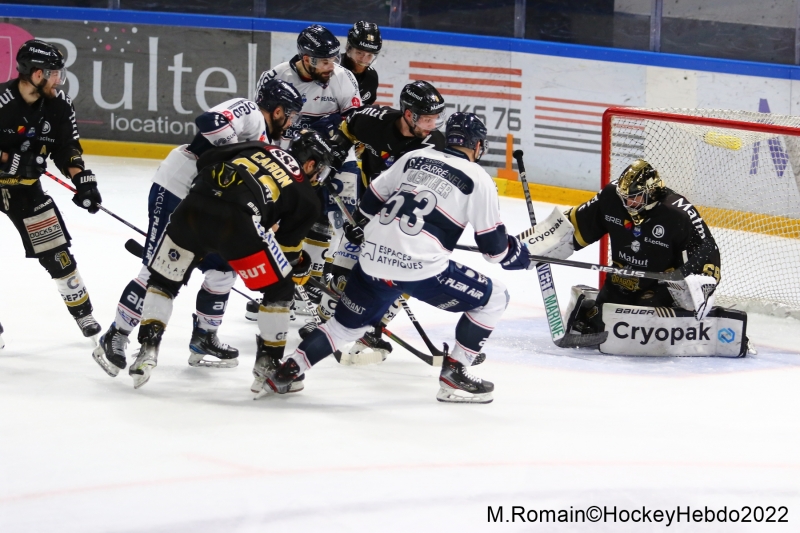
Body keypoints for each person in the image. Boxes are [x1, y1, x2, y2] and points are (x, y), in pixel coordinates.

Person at [261, 113, 533, 403]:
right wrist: (515, 253)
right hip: (419, 269)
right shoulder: (478, 178)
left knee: (341, 328)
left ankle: (287, 371)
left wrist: (363, 226)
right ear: (478, 146)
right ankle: (455, 373)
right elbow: (493, 250)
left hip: (372, 259)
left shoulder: (415, 157)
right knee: (495, 298)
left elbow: (370, 201)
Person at [91, 79, 304, 378]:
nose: (293, 122)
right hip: (179, 187)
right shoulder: (251, 112)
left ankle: (204, 338)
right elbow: (211, 121)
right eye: (292, 114)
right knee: (158, 270)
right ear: (278, 110)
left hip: (215, 201)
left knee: (223, 270)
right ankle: (117, 334)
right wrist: (235, 154)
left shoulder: (272, 142)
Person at [127, 130, 332, 389]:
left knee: (163, 281)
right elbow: (286, 254)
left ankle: (148, 348)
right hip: (237, 226)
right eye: (320, 170)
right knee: (280, 289)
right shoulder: (308, 197)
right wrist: (298, 266)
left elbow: (207, 160)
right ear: (310, 163)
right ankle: (267, 365)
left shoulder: (259, 147)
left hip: (193, 207)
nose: (318, 177)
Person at [302, 80, 448, 363]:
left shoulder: (435, 146)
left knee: (398, 282)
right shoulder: (372, 120)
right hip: (367, 210)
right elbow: (347, 129)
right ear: (408, 114)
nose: (433, 125)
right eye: (427, 118)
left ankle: (372, 324)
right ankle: (327, 326)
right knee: (343, 278)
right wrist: (330, 162)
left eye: (436, 118)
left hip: (409, 224)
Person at [524, 159, 722, 339]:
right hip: (621, 279)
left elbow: (706, 249)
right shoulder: (612, 197)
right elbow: (578, 224)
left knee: (644, 319)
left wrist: (693, 283)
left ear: (651, 192)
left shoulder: (678, 212)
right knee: (595, 320)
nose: (627, 203)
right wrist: (539, 243)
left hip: (659, 286)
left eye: (634, 198)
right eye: (624, 197)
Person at [253, 24, 363, 315]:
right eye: (325, 61)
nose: (332, 65)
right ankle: (282, 279)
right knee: (289, 219)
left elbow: (355, 126)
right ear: (306, 58)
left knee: (345, 220)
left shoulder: (343, 78)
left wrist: (333, 154)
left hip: (337, 156)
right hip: (291, 160)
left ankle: (322, 277)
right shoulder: (275, 78)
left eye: (333, 59)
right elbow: (263, 128)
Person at [0, 40, 103, 340]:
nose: (59, 79)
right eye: (54, 73)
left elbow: (66, 147)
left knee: (57, 254)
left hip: (25, 190)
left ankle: (84, 315)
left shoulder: (60, 105)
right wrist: (12, 160)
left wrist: (81, 178)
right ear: (34, 74)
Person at [341, 21, 382, 106]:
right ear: (349, 49)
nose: (364, 60)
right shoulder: (331, 69)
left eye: (369, 55)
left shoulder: (371, 78)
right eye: (359, 53)